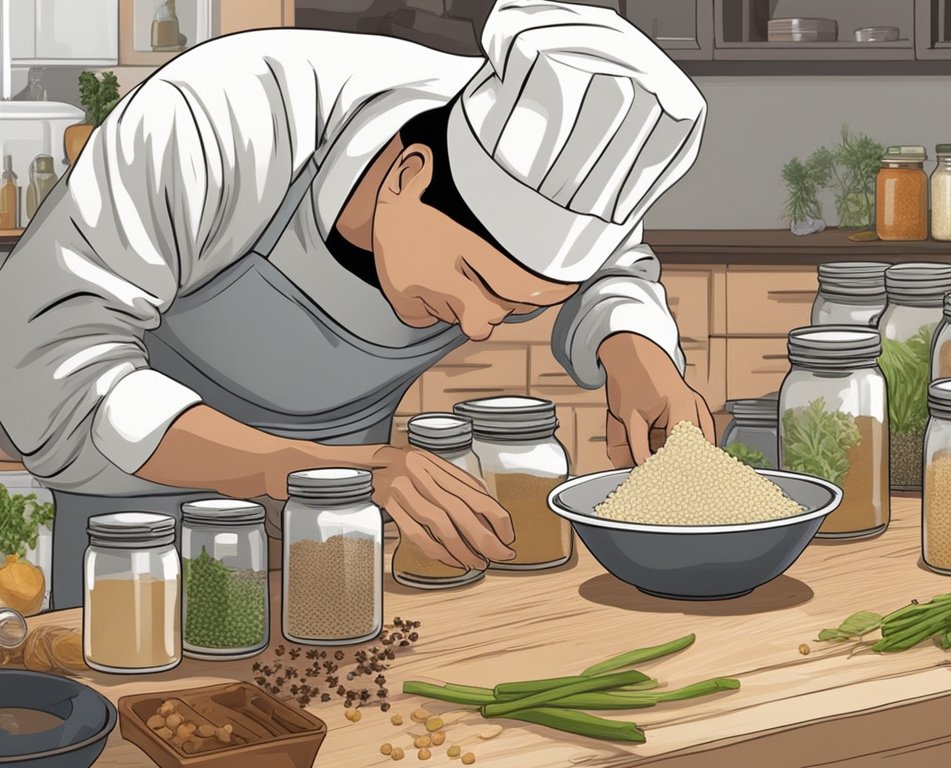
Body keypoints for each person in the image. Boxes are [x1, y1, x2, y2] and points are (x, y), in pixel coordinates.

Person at [0, 0, 713, 610]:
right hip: (142, 514)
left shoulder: (538, 149)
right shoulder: (224, 117)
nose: (477, 324)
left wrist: (640, 357)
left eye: (522, 306)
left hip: (345, 519)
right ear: (410, 173)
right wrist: (311, 469)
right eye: (476, 280)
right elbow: (50, 360)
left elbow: (614, 269)